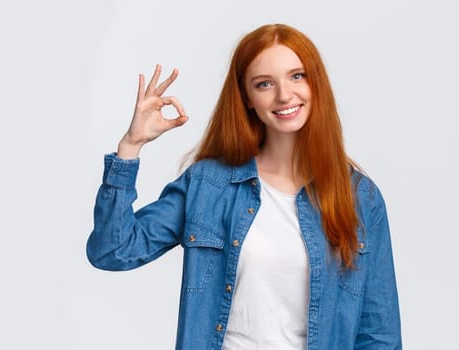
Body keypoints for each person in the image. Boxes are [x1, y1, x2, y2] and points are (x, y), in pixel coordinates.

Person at [87, 23, 401, 349]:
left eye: (297, 76)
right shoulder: (209, 184)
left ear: (316, 83)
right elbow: (112, 251)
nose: (284, 94)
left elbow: (379, 334)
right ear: (248, 98)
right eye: (264, 84)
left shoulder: (360, 198)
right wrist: (130, 147)